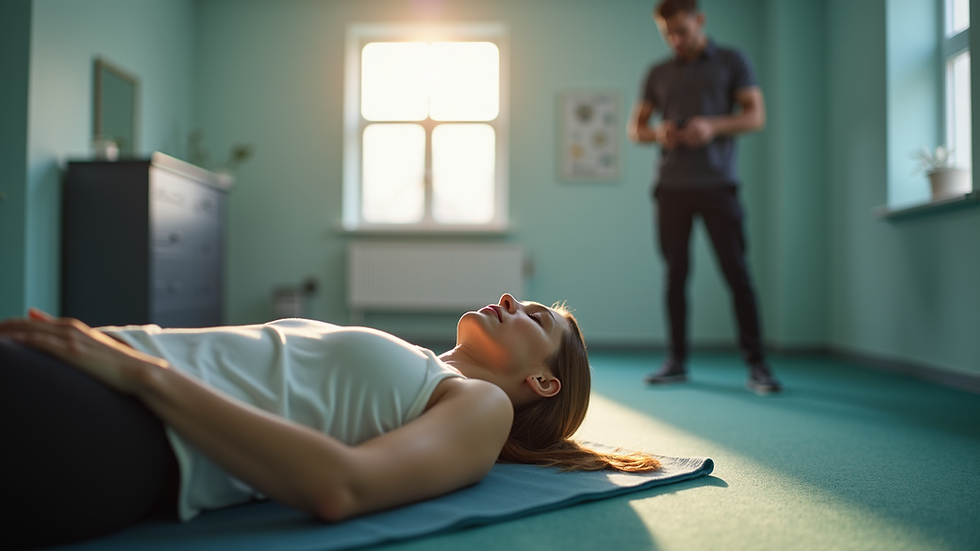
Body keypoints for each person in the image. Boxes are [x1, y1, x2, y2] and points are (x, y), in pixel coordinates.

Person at [0, 293, 659, 549]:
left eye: (534, 318)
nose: (512, 298)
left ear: (541, 381)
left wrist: (143, 374)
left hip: (128, 425)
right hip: (106, 371)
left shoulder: (479, 406)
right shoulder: (422, 362)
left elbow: (340, 484)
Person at [627, 0, 781, 394]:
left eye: (683, 31)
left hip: (718, 186)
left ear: (700, 21)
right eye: (669, 35)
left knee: (737, 273)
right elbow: (636, 129)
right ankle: (676, 362)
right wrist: (659, 133)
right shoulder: (657, 72)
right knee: (675, 275)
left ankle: (758, 365)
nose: (676, 40)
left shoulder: (733, 61)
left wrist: (711, 126)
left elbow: (755, 116)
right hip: (671, 187)